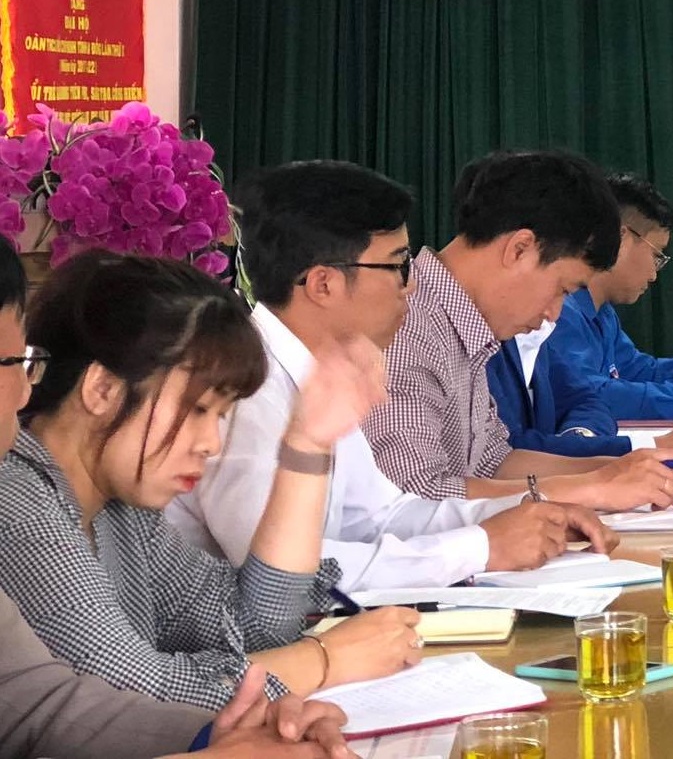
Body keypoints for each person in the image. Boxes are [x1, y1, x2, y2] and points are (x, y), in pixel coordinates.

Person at [172, 161, 617, 593]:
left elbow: (381, 516)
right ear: (323, 284)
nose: (411, 285)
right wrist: (480, 547)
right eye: (396, 267)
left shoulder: (319, 375)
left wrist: (533, 512)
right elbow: (283, 576)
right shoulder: (246, 390)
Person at [0, 251, 419, 709]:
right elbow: (135, 697)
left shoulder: (121, 513)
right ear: (103, 389)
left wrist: (307, 444)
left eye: (220, 416)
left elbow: (255, 626)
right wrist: (325, 659)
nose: (211, 443)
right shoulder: (16, 499)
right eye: (198, 409)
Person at [363, 150, 673, 506]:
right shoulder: (405, 327)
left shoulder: (464, 324)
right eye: (562, 289)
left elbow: (495, 463)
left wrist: (624, 469)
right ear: (520, 249)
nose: (554, 315)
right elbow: (415, 496)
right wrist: (595, 487)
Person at [499, 174, 673, 455]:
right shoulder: (557, 311)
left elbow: (634, 373)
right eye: (657, 255)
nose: (655, 274)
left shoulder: (601, 312)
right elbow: (597, 393)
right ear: (620, 238)